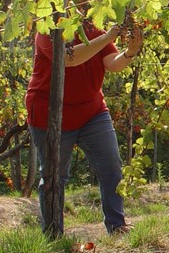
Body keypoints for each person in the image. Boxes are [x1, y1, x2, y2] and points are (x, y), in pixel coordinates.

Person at [25, 19, 143, 235]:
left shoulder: (92, 27)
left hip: (92, 111)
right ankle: (53, 235)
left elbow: (113, 63)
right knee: (54, 176)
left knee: (111, 166)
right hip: (50, 115)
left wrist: (129, 53)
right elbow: (69, 58)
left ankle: (117, 226)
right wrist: (107, 37)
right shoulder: (47, 30)